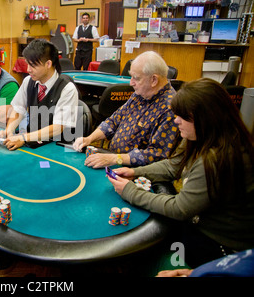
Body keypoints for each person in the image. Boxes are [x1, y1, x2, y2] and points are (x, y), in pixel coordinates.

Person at [108, 78, 254, 268]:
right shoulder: (202, 135)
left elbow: (180, 209)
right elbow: (172, 166)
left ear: (206, 118)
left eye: (183, 117)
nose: (176, 121)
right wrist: (135, 172)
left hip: (220, 245)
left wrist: (130, 191)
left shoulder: (217, 159)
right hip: (200, 224)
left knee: (138, 257)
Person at [73, 51, 178, 167]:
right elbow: (113, 122)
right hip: (115, 159)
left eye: (136, 78)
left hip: (135, 171)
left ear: (154, 80)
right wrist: (89, 139)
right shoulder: (140, 95)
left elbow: (155, 155)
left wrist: (114, 159)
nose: (131, 83)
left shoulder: (170, 109)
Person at [0, 39, 78, 151]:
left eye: (33, 65)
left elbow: (58, 128)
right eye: (27, 64)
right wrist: (8, 131)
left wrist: (23, 137)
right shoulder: (28, 81)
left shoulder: (67, 89)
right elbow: (18, 109)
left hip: (58, 147)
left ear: (48, 64)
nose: (28, 70)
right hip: (32, 142)